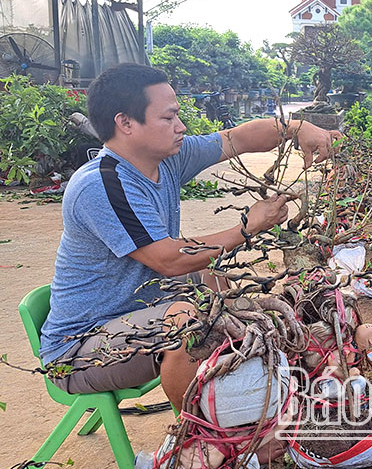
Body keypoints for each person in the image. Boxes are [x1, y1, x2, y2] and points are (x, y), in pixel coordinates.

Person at [39, 63, 341, 413]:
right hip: (79, 350)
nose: (181, 126)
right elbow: (169, 260)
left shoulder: (166, 159)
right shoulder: (101, 186)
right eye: (168, 118)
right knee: (185, 321)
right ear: (125, 123)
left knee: (215, 277)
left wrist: (297, 128)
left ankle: (260, 384)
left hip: (137, 313)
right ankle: (200, 437)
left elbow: (237, 139)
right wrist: (249, 227)